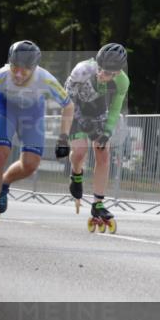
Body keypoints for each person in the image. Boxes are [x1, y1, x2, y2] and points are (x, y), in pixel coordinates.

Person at [0, 41, 74, 239]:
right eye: (15, 68)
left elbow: (68, 105)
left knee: (30, 165)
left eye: (25, 70)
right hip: (5, 110)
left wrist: (63, 137)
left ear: (35, 68)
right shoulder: (0, 76)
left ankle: (4, 182)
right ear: (9, 63)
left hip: (32, 113)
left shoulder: (45, 79)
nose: (19, 74)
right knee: (0, 156)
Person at [64, 43, 130, 229]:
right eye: (100, 69)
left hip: (98, 113)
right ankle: (76, 173)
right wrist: (73, 122)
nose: (102, 75)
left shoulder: (122, 82)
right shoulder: (82, 70)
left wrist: (107, 131)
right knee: (79, 152)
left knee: (103, 153)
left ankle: (98, 204)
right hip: (76, 109)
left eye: (108, 73)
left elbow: (115, 108)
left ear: (117, 73)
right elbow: (66, 99)